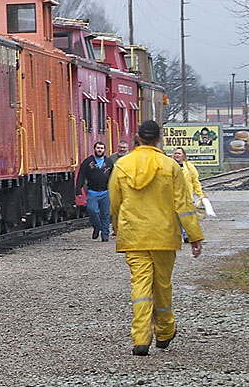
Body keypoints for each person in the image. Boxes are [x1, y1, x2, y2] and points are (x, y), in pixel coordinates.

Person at [109, 120, 203, 356]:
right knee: (162, 285)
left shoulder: (122, 165)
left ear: (138, 138)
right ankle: (165, 330)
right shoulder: (170, 166)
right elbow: (183, 204)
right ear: (159, 139)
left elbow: (114, 204)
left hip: (134, 236)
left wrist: (118, 230)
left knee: (140, 285)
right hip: (163, 235)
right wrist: (194, 236)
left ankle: (141, 338)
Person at [75, 141, 113, 241]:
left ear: (104, 150)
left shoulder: (109, 162)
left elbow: (114, 177)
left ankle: (105, 235)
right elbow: (81, 175)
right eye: (98, 148)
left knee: (105, 214)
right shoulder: (88, 162)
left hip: (106, 192)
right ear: (94, 149)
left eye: (101, 148)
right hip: (92, 192)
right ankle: (97, 227)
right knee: (92, 210)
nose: (99, 150)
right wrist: (78, 190)